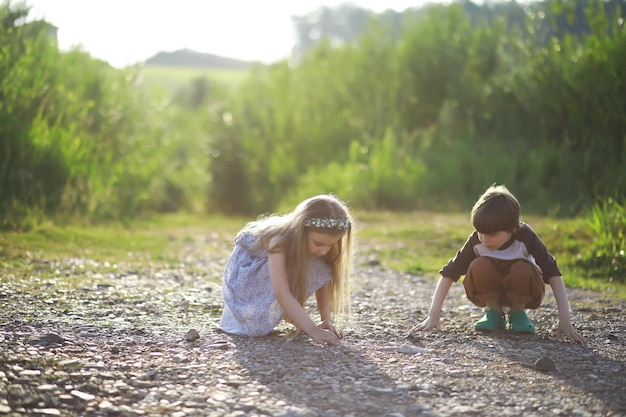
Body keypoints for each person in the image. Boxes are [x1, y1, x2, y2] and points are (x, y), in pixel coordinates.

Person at [412, 184, 586, 343]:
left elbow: (553, 274)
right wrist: (433, 315)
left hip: (523, 289)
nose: (485, 239)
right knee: (478, 265)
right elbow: (449, 273)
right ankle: (494, 312)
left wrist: (565, 321)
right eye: (480, 232)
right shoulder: (476, 241)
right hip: (488, 291)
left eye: (493, 234)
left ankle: (518, 313)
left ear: (513, 228)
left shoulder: (526, 237)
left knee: (522, 268)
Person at [219, 194, 355, 346]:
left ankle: (293, 313)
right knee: (258, 326)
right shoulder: (278, 241)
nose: (324, 250)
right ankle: (286, 312)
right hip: (249, 280)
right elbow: (282, 293)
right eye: (319, 243)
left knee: (321, 266)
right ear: (301, 230)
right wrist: (312, 330)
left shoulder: (316, 248)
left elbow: (323, 280)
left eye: (330, 245)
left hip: (278, 269)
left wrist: (326, 320)